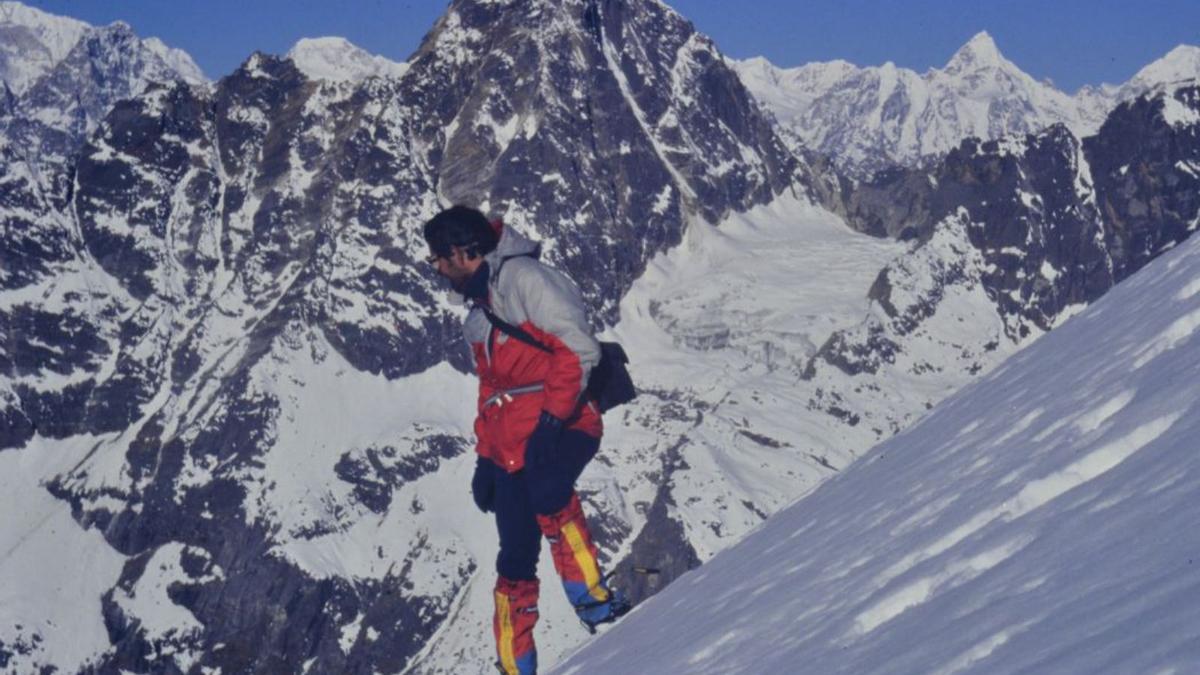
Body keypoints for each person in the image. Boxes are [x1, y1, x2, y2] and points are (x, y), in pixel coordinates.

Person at [422, 205, 627, 675]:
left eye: (437, 257)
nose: (434, 267)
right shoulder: (479, 305)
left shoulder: (525, 281)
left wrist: (553, 421)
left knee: (550, 491)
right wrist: (486, 460)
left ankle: (598, 606)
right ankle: (515, 668)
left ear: (460, 252)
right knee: (514, 554)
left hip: (569, 418)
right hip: (513, 442)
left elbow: (578, 349)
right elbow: (492, 389)